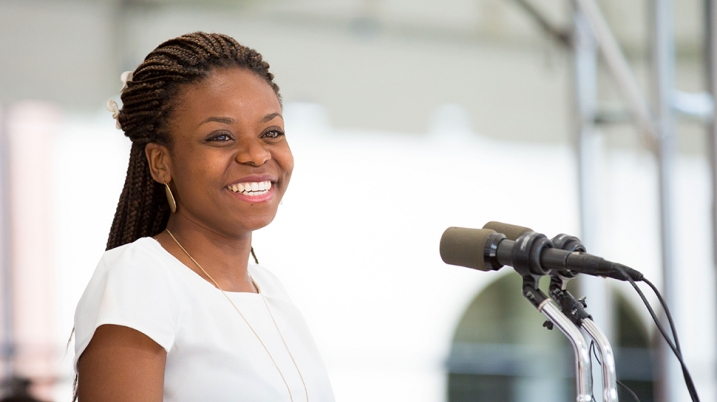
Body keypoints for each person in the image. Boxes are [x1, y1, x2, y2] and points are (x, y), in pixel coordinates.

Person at [73, 32, 335, 402]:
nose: (257, 155)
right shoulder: (142, 276)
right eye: (221, 137)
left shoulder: (270, 290)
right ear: (161, 162)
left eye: (271, 132)